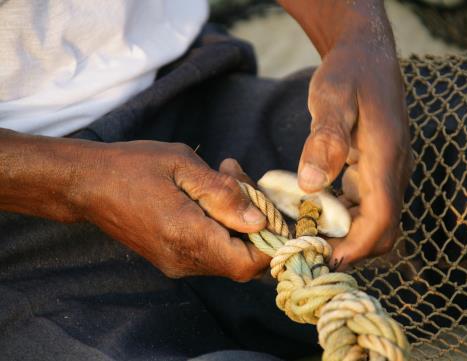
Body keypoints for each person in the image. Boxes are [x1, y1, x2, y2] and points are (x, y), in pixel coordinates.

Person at [0, 1, 411, 360]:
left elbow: (357, 37)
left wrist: (358, 40)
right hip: (16, 237)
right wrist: (76, 182)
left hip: (188, 92)